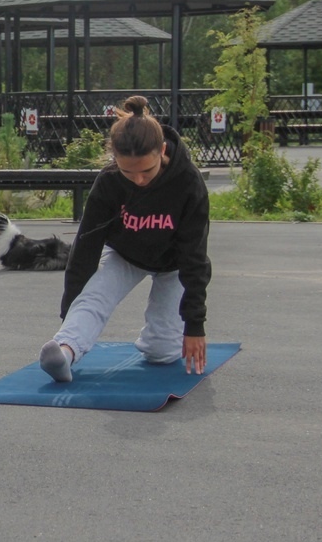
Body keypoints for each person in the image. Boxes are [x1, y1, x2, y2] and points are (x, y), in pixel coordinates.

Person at [37, 96, 211, 383]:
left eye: (147, 171)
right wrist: (71, 314)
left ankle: (158, 339)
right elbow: (85, 250)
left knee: (162, 353)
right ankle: (65, 352)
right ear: (114, 159)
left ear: (162, 150)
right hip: (126, 256)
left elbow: (194, 256)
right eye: (128, 172)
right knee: (95, 296)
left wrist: (195, 326)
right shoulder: (108, 183)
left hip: (174, 263)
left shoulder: (189, 184)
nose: (139, 180)